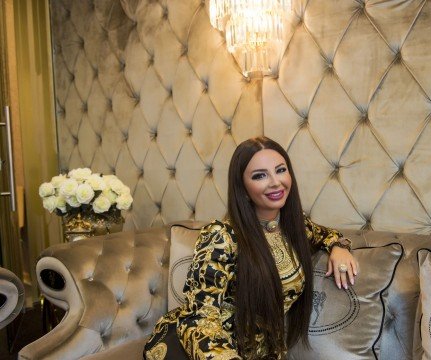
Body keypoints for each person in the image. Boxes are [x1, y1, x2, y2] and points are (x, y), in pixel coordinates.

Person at [144, 136, 357, 360]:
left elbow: (327, 235)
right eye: (260, 176)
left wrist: (339, 247)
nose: (275, 182)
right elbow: (200, 319)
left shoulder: (296, 226)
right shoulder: (221, 237)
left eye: (280, 170)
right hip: (202, 349)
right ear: (243, 189)